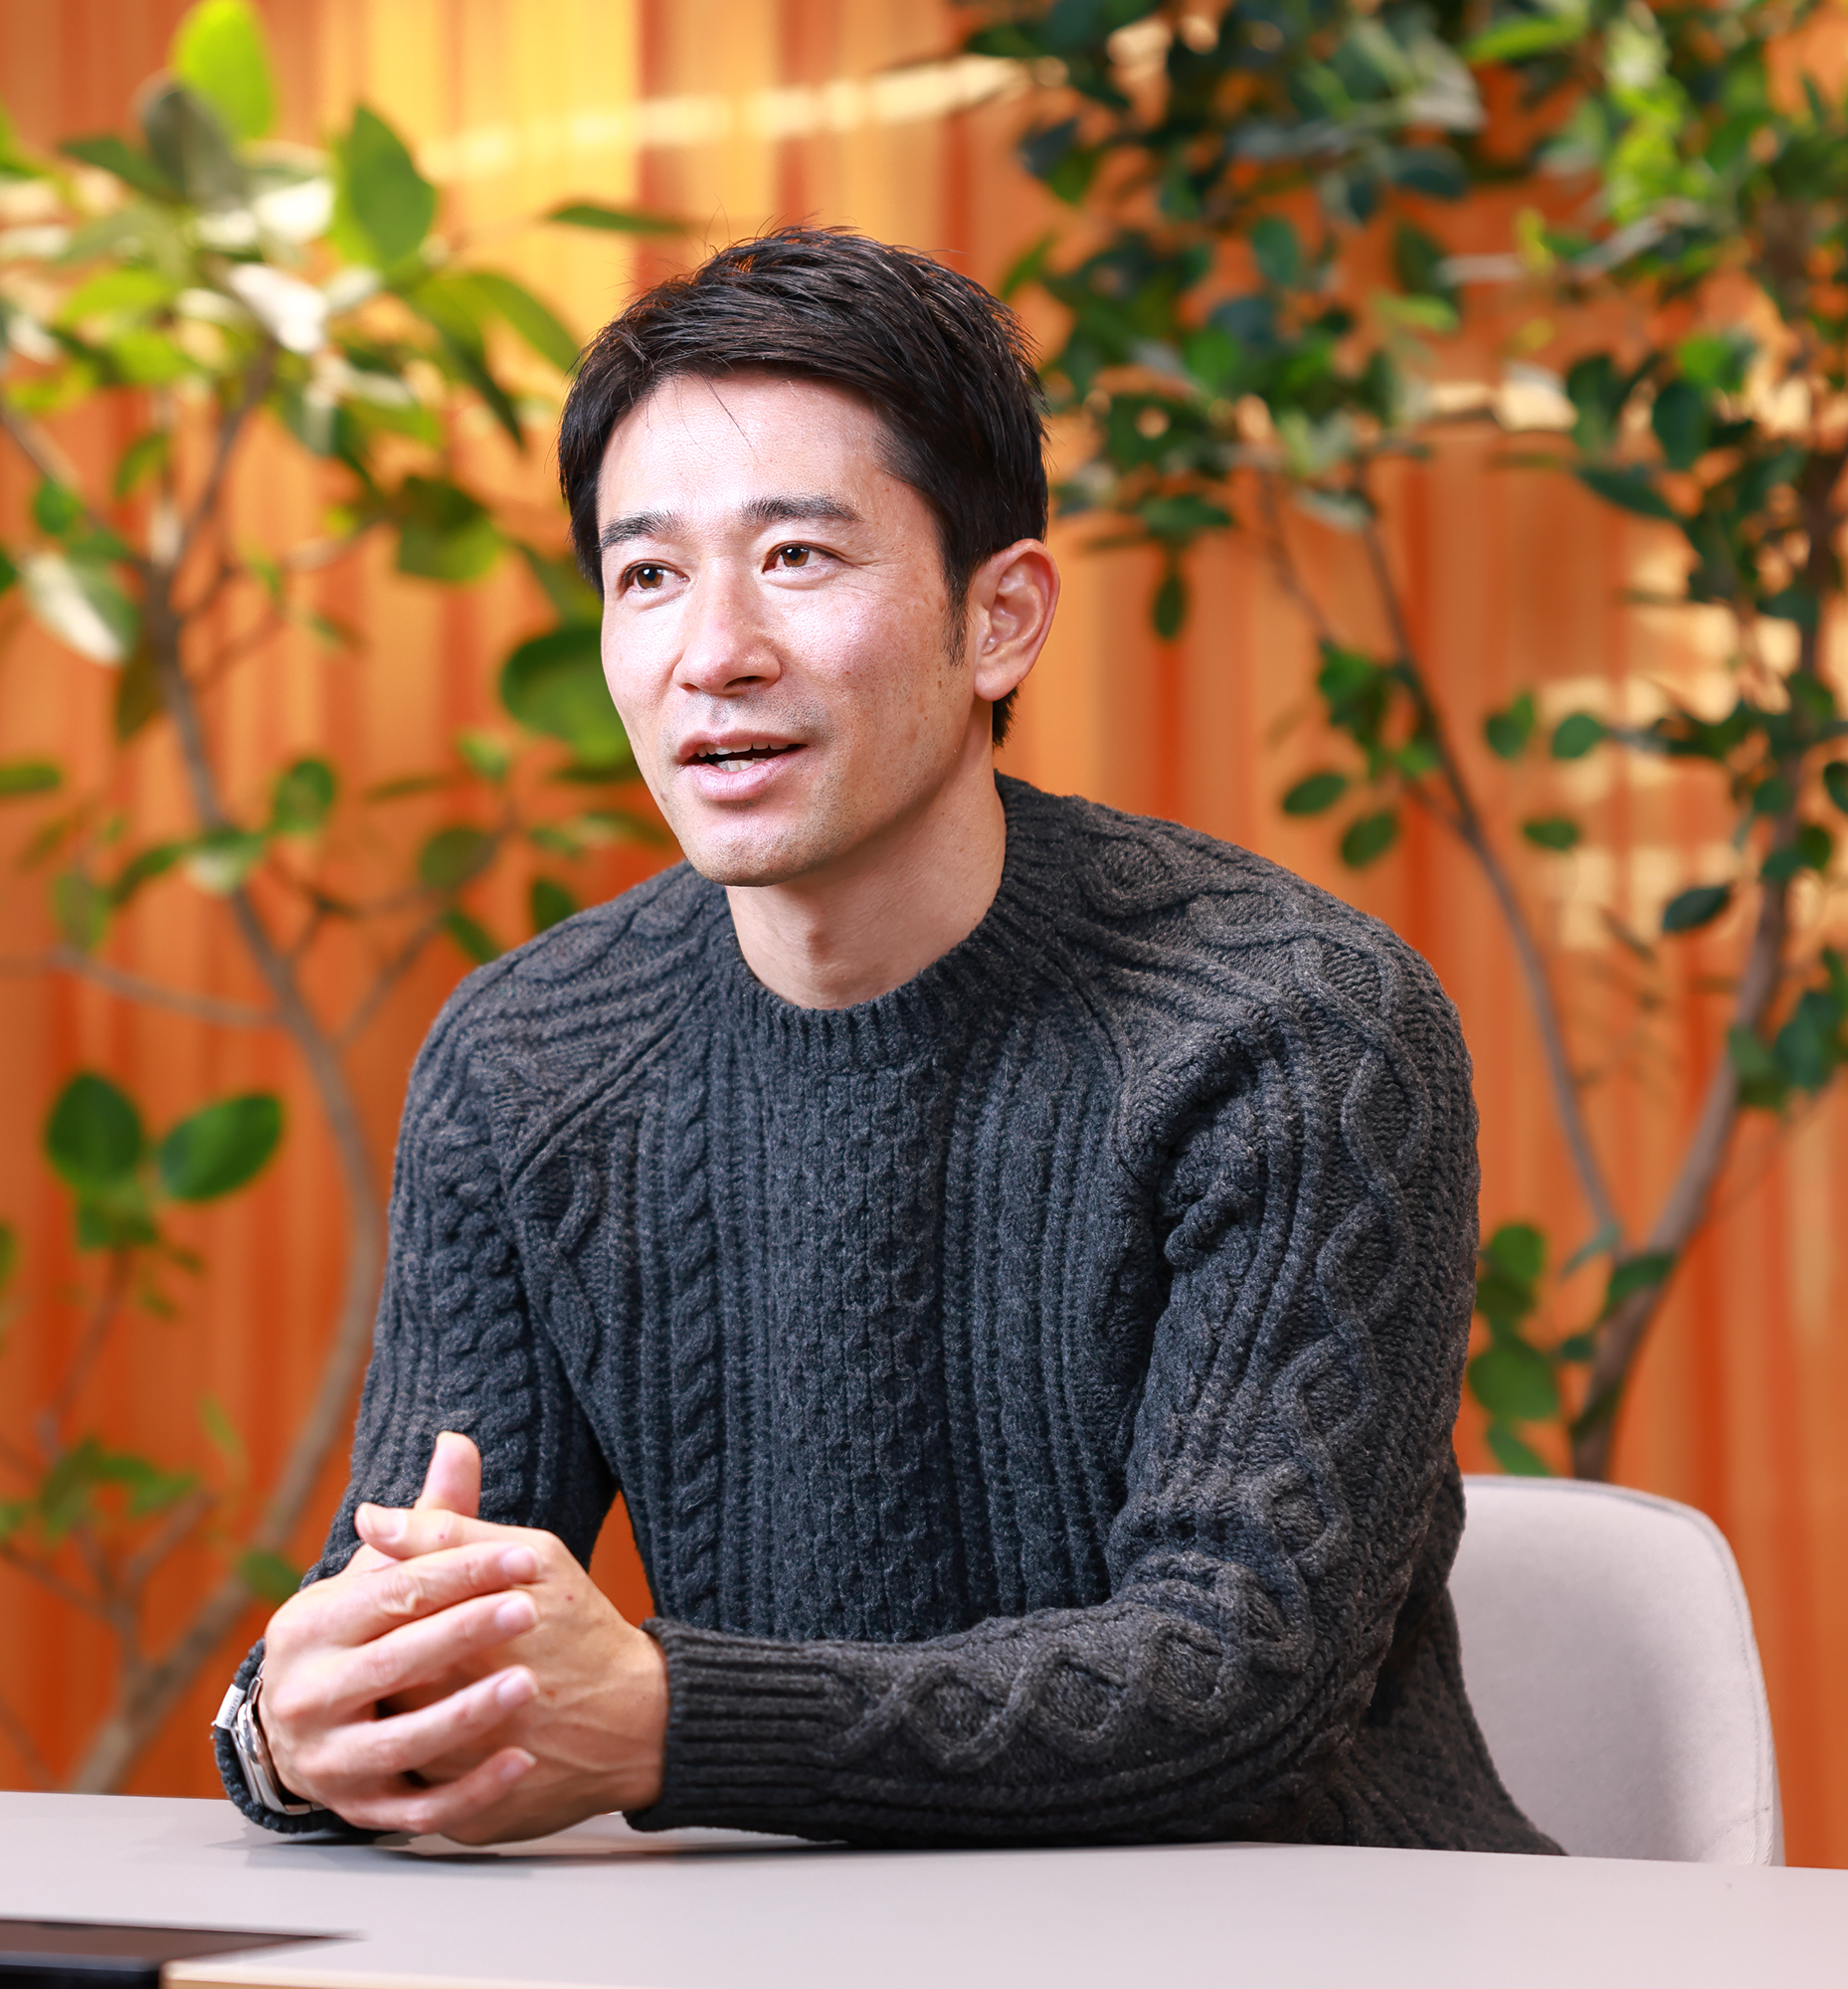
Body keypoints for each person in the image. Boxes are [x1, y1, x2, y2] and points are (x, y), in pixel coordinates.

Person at [211, 225, 1558, 1855]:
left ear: (1001, 620)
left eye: (796, 556)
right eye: (648, 578)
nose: (713, 653)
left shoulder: (1288, 1025)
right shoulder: (529, 1060)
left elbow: (1238, 1678)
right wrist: (289, 1731)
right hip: (791, 1940)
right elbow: (419, 1613)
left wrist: (670, 1720)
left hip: (1312, 1938)